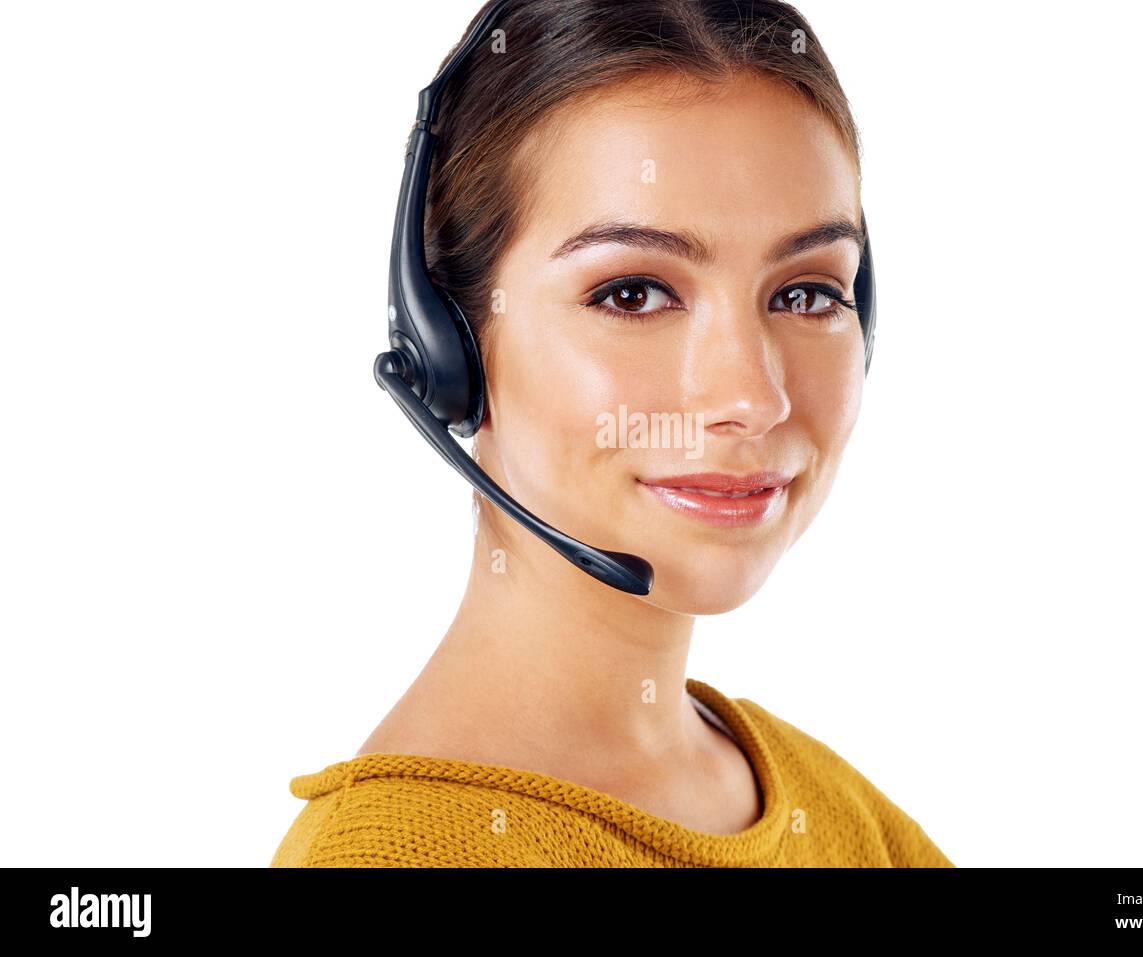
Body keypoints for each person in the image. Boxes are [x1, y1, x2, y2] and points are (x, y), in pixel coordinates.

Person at [272, 0, 953, 868]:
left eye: (806, 293)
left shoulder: (845, 818)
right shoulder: (391, 856)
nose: (752, 396)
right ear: (450, 341)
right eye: (632, 293)